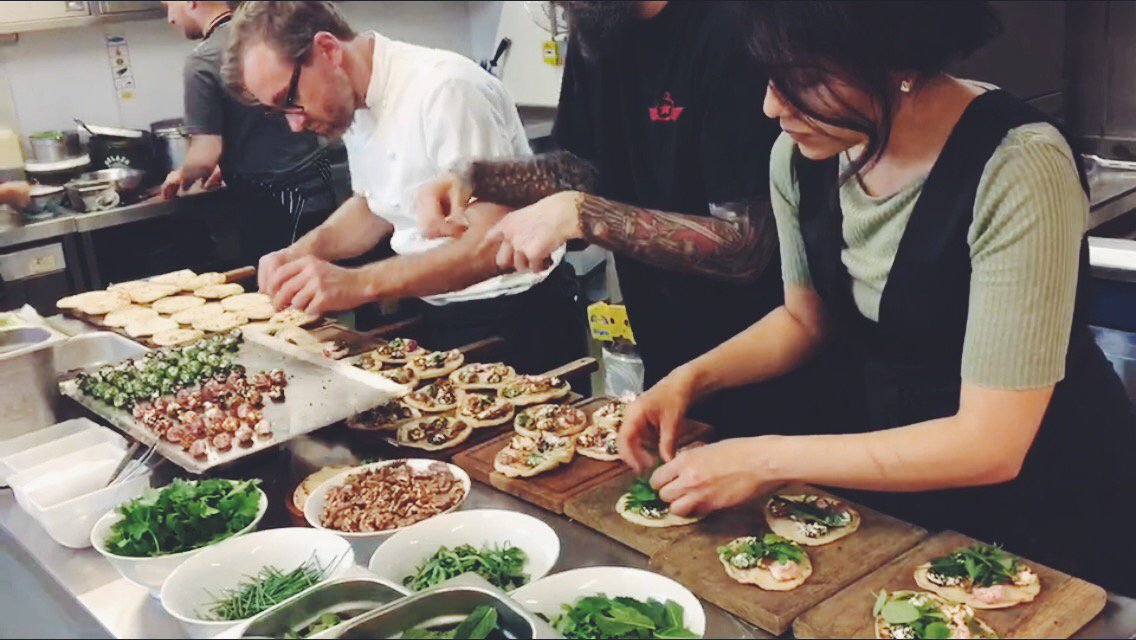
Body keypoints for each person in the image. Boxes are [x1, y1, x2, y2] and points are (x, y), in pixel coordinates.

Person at [618, 1, 1136, 595]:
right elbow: (803, 318)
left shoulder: (1017, 166)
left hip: (1047, 501)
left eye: (804, 80)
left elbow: (991, 443)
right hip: (903, 481)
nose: (771, 106)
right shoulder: (799, 156)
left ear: (898, 61)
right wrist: (690, 379)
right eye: (768, 76)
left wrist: (763, 460)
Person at [416, 1, 836, 438]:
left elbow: (746, 245)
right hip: (667, 356)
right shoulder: (597, 24)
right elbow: (579, 167)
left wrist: (586, 215)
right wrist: (478, 179)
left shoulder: (733, 26)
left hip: (769, 370)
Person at [220, 1, 583, 375]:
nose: (294, 125)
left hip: (514, 319)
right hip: (436, 310)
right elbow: (374, 206)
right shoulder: (352, 101)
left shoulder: (445, 89)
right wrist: (299, 254)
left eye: (290, 101)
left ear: (328, 50)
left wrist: (358, 283)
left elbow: (490, 245)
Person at [160, 0, 337, 266]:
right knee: (319, 283)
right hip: (319, 182)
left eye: (168, 6)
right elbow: (267, 119)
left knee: (278, 292)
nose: (170, 18)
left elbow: (205, 153)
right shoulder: (265, 37)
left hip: (272, 202)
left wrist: (182, 174)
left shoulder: (202, 60)